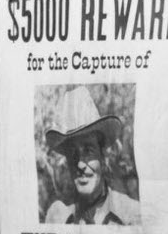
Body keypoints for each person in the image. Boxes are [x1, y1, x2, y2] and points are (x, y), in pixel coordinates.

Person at [41, 86, 141, 226]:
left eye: (88, 151)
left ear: (103, 157)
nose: (80, 164)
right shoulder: (60, 219)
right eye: (73, 154)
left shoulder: (131, 214)